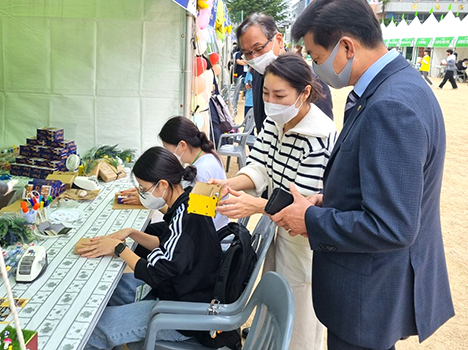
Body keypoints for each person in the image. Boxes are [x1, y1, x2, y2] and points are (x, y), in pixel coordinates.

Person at [276, 0, 454, 350]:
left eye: (316, 56)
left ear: (346, 47)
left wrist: (309, 220)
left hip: (367, 296)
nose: (314, 67)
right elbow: (386, 185)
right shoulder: (396, 87)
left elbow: (392, 225)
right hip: (369, 289)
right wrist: (329, 199)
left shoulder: (391, 106)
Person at [210, 53, 336, 350]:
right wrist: (230, 184)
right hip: (275, 231)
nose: (272, 101)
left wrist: (255, 206)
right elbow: (259, 166)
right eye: (266, 93)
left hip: (302, 239)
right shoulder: (274, 122)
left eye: (280, 95)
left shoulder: (318, 135)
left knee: (299, 317)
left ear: (305, 92)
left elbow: (300, 205)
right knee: (273, 307)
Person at [80, 147, 223, 350]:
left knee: (93, 328)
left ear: (162, 184)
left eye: (143, 188)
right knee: (108, 289)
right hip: (180, 291)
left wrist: (120, 249)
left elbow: (156, 272)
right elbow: (170, 245)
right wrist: (131, 233)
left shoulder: (185, 218)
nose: (141, 193)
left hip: (183, 314)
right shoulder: (191, 199)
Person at [119, 116, 229, 230]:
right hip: (210, 228)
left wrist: (150, 199)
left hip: (208, 237)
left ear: (182, 145)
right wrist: (149, 192)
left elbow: (191, 220)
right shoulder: (209, 156)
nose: (167, 153)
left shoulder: (201, 173)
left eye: (167, 148)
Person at [236, 13, 334, 134]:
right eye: (247, 53)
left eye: (259, 49)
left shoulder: (310, 78)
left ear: (279, 40)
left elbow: (324, 132)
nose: (254, 57)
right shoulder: (258, 73)